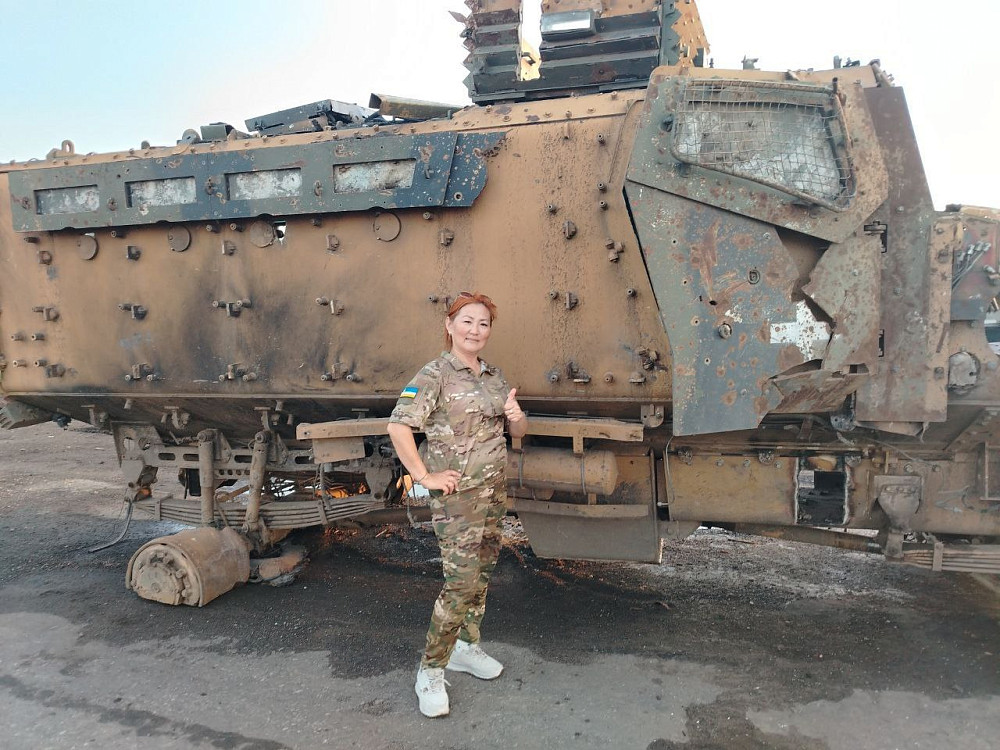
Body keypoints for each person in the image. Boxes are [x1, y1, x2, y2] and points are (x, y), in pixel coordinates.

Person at [387, 291, 527, 718]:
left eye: (483, 323)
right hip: (457, 498)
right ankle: (431, 669)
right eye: (467, 321)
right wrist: (424, 477)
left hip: (492, 491)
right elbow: (398, 426)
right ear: (449, 326)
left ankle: (466, 646)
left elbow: (518, 432)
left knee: (482, 571)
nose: (475, 330)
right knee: (461, 582)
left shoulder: (494, 376)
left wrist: (516, 415)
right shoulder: (435, 374)